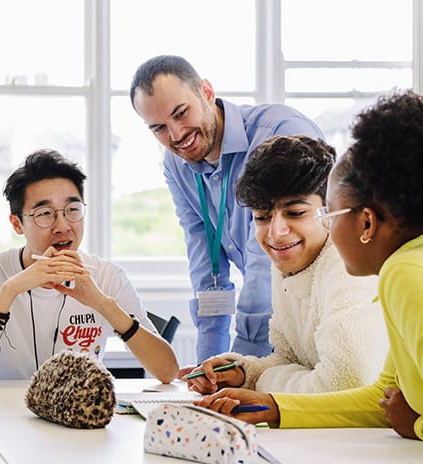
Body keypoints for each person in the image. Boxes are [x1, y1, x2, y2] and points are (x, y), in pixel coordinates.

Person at [196, 91, 423, 463]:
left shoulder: (407, 276)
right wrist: (275, 407)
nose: (325, 227)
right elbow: (385, 397)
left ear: (366, 222)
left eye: (330, 214)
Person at [130, 55, 325, 362]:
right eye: (159, 128)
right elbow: (204, 257)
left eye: (181, 113)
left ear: (206, 92)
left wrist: (242, 361)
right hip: (271, 322)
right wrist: (208, 367)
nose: (177, 135)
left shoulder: (279, 131)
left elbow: (265, 259)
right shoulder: (176, 165)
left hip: (318, 309)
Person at [0, 149, 178, 384]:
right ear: (17, 224)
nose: (63, 226)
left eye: (72, 210)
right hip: (5, 412)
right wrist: (9, 290)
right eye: (45, 213)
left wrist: (102, 304)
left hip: (79, 415)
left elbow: (167, 371)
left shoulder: (108, 276)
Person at [186, 135, 387, 395]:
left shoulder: (349, 266)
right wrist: (243, 372)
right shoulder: (290, 260)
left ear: (330, 211)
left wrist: (260, 384)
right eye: (261, 217)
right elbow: (291, 359)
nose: (276, 232)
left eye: (295, 213)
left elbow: (344, 383)